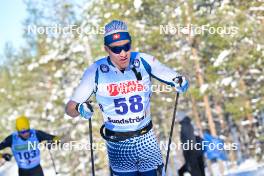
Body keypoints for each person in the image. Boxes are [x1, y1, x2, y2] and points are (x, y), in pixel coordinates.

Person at [65, 20, 189, 176]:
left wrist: (180, 81)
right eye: (116, 49)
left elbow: (173, 76)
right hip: (118, 145)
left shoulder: (143, 61)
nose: (123, 53)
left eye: (126, 46)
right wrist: (79, 108)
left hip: (146, 140)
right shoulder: (96, 71)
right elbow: (69, 108)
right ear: (106, 49)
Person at [176, 112, 205, 176]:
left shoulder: (185, 125)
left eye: (177, 118)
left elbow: (188, 139)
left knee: (194, 171)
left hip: (190, 151)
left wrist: (187, 151)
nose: (177, 119)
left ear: (181, 118)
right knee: (197, 170)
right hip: (194, 151)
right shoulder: (188, 124)